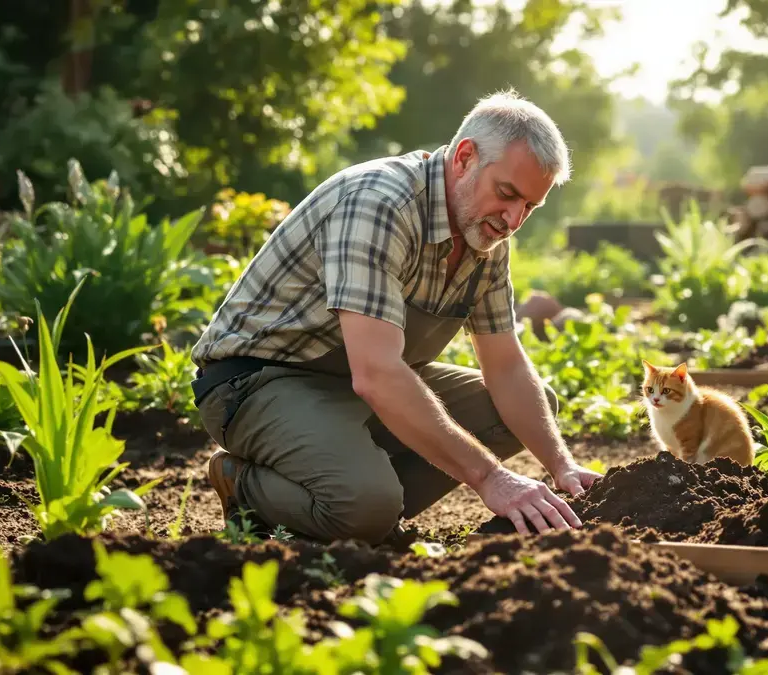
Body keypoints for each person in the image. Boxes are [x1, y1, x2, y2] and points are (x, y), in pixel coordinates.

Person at [189, 89, 602, 543]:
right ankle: (248, 485)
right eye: (507, 194)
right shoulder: (380, 204)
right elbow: (377, 373)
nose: (514, 219)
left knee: (516, 411)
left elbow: (504, 366)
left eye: (529, 207)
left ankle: (352, 500)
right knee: (365, 507)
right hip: (259, 382)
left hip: (353, 384)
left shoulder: (485, 234)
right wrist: (490, 478)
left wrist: (562, 465)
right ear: (464, 157)